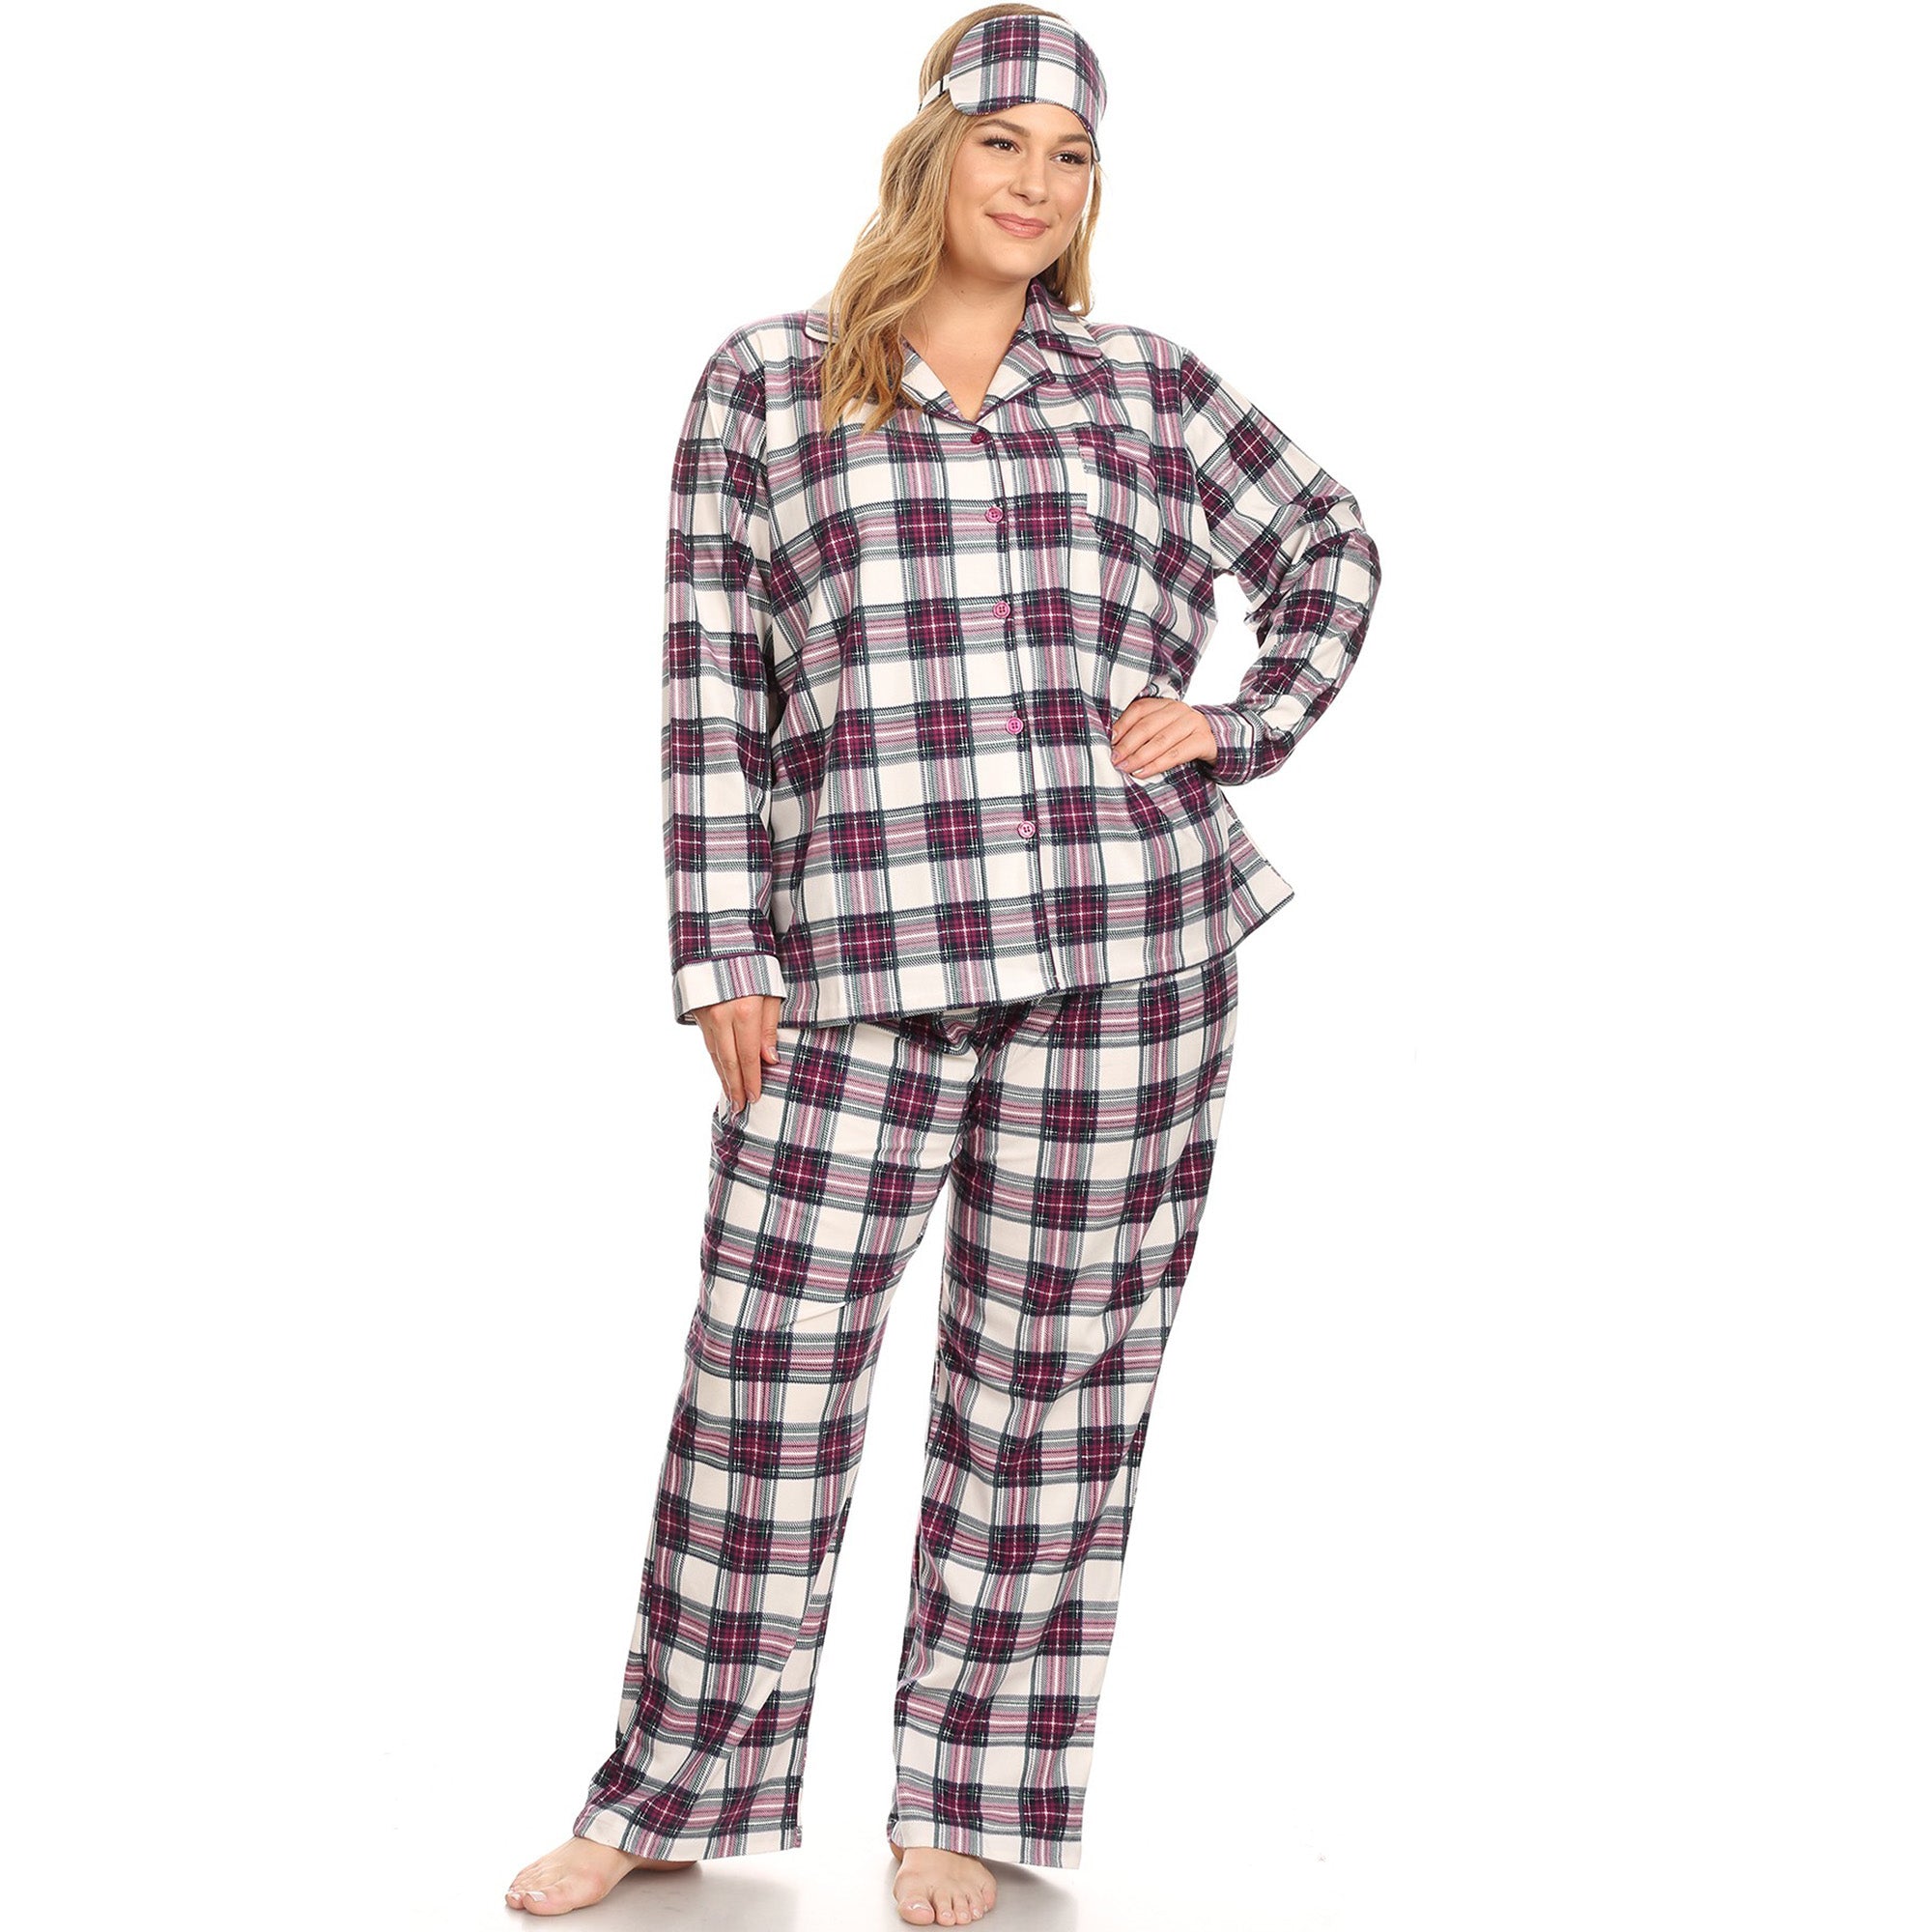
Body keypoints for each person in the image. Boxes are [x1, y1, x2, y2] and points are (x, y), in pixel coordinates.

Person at [504, 6, 1381, 1920]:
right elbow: (711, 683)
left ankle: (963, 1800)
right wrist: (719, 946)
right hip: (853, 955)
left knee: (1050, 1390)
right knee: (764, 1378)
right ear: (930, 154)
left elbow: (1329, 543)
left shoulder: (1144, 385)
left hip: (1128, 947)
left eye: (1071, 158)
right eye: (1003, 142)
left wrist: (1237, 721)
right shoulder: (768, 380)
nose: (1035, 184)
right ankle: (675, 1785)